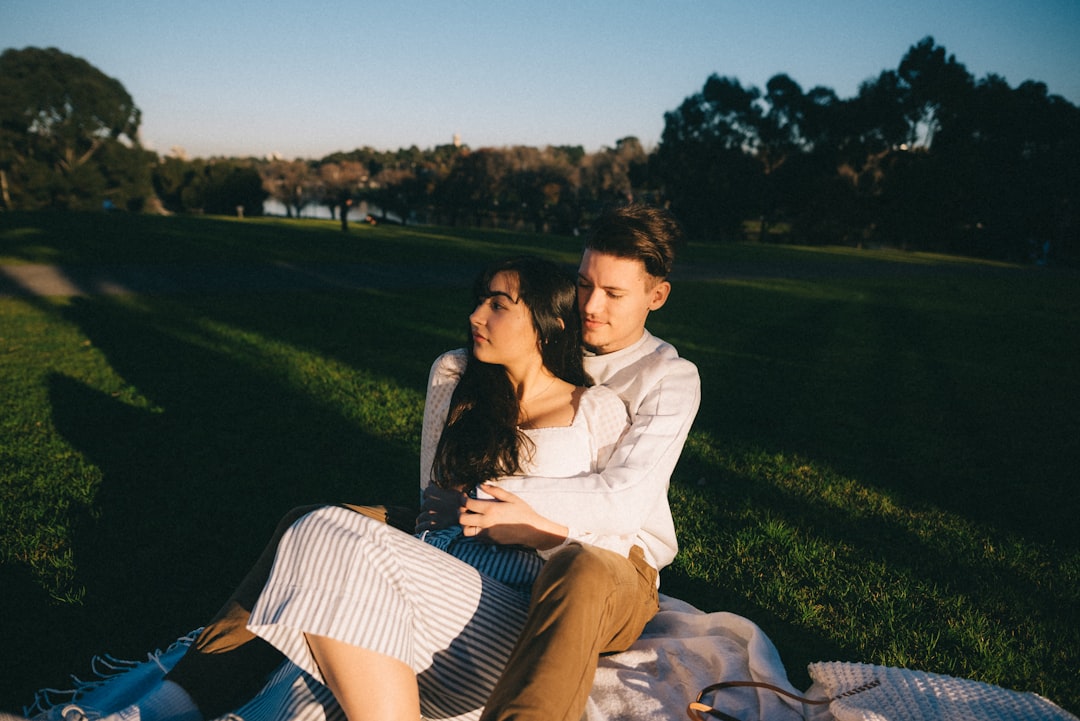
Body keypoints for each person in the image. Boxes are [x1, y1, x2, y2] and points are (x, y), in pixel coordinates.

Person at [46, 204, 699, 721]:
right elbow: (434, 492)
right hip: (477, 528)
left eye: (613, 293)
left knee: (579, 569)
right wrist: (460, 512)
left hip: (606, 556)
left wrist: (511, 510)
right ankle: (183, 693)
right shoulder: (476, 366)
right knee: (313, 522)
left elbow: (621, 499)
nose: (591, 306)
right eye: (584, 285)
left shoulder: (665, 377)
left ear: (657, 295)